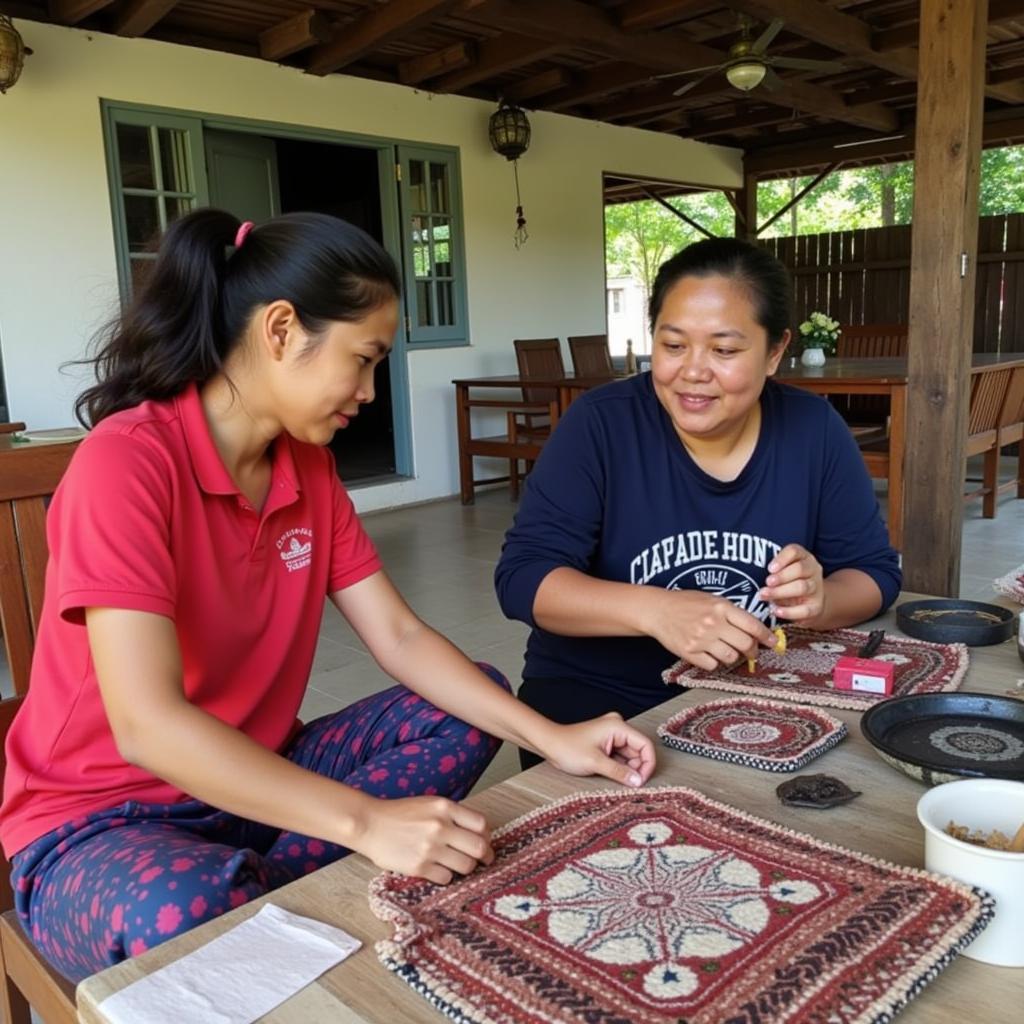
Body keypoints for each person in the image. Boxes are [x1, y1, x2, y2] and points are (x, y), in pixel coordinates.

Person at [0, 209, 655, 982]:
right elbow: (149, 727)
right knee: (177, 910)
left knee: (469, 696)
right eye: (364, 359)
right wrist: (366, 822)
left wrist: (554, 737)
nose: (371, 392)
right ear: (280, 330)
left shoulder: (307, 472)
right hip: (100, 825)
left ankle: (265, 904)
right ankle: (272, 896)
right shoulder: (129, 463)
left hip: (259, 778)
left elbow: (401, 639)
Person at [496, 238, 901, 768]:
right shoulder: (601, 425)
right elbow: (523, 578)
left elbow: (874, 573)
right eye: (673, 345)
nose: (693, 370)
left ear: (775, 351)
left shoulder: (814, 431)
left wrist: (822, 600)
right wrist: (656, 609)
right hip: (599, 708)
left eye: (725, 350)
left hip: (759, 696)